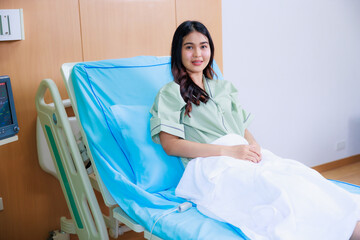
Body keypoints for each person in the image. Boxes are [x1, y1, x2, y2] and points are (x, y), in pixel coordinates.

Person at [150, 20, 360, 240]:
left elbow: (242, 127)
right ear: (178, 51)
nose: (197, 53)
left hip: (242, 154)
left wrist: (254, 146)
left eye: (203, 46)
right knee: (277, 191)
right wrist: (230, 152)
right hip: (211, 165)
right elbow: (170, 145)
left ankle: (349, 224)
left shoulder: (223, 87)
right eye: (189, 47)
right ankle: (348, 232)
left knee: (301, 177)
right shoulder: (171, 93)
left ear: (210, 49)